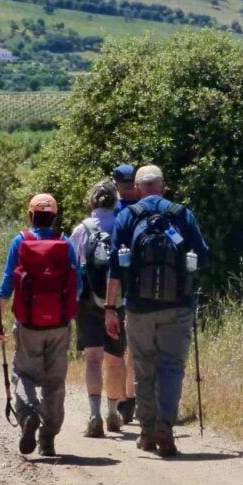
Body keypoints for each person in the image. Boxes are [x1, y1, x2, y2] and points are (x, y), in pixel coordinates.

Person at [105, 164, 209, 457]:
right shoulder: (183, 214)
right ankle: (166, 425)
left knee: (143, 368)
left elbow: (114, 269)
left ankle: (147, 431)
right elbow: (203, 257)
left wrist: (110, 308)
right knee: (171, 368)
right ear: (163, 186)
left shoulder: (127, 216)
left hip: (138, 307)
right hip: (178, 305)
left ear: (137, 190)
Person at [0, 193, 80, 458]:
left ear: (30, 215)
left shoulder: (21, 241)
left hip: (29, 323)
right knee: (54, 381)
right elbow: (78, 285)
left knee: (24, 373)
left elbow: (8, 283)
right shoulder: (65, 243)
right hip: (59, 325)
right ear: (53, 216)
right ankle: (48, 438)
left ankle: (29, 412)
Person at [70, 180, 126, 437]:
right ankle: (113, 413)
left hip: (88, 303)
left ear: (91, 202)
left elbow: (74, 269)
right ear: (116, 202)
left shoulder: (81, 230)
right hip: (118, 302)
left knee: (93, 358)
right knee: (115, 360)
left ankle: (94, 415)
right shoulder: (122, 227)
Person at [112, 163, 138, 424]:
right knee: (132, 347)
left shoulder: (113, 210)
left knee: (116, 346)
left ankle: (120, 399)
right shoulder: (143, 207)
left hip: (113, 284)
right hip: (136, 284)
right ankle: (130, 396)